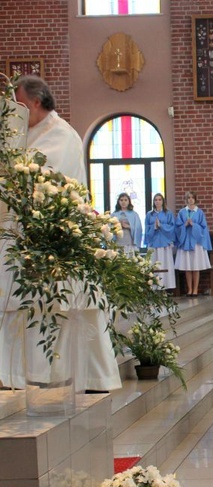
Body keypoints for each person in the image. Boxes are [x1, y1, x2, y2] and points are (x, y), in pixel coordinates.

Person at [1, 75, 121, 392]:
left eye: (21, 105)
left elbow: (39, 179)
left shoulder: (60, 135)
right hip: (24, 234)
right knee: (18, 303)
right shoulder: (30, 133)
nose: (18, 113)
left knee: (69, 307)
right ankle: (14, 374)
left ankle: (92, 377)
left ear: (36, 103)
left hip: (56, 236)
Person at [14, 75, 85, 183]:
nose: (16, 111)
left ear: (36, 102)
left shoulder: (62, 134)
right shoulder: (24, 131)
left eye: (19, 104)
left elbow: (45, 177)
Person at [175, 191, 212, 297]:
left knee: (195, 266)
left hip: (196, 242)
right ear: (186, 199)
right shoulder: (182, 212)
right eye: (188, 198)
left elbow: (204, 228)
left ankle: (195, 289)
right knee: (188, 266)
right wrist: (185, 225)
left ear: (195, 199)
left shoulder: (199, 212)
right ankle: (189, 289)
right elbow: (177, 227)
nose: (190, 199)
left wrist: (194, 225)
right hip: (186, 241)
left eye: (192, 197)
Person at [144, 193, 177, 290]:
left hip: (164, 243)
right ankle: (154, 286)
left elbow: (172, 227)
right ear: (153, 202)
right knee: (154, 264)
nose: (157, 201)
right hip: (154, 243)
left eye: (159, 199)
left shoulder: (168, 213)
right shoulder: (150, 214)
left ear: (163, 201)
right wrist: (154, 226)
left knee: (165, 264)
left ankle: (166, 286)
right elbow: (146, 228)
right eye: (156, 200)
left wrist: (161, 226)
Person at [113, 192, 143, 257]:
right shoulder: (114, 214)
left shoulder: (134, 214)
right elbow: (110, 227)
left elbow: (138, 229)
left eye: (125, 200)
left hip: (129, 241)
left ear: (129, 201)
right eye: (121, 200)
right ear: (118, 201)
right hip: (118, 241)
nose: (123, 202)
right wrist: (118, 226)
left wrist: (128, 226)